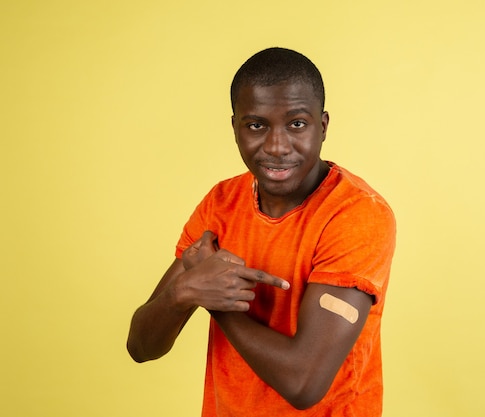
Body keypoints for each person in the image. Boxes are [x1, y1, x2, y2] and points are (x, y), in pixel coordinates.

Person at [127, 47, 396, 416]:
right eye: (256, 125)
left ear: (323, 125)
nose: (276, 146)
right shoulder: (221, 203)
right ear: (235, 127)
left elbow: (304, 384)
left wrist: (216, 303)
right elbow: (140, 347)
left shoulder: (357, 215)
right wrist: (183, 292)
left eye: (297, 124)